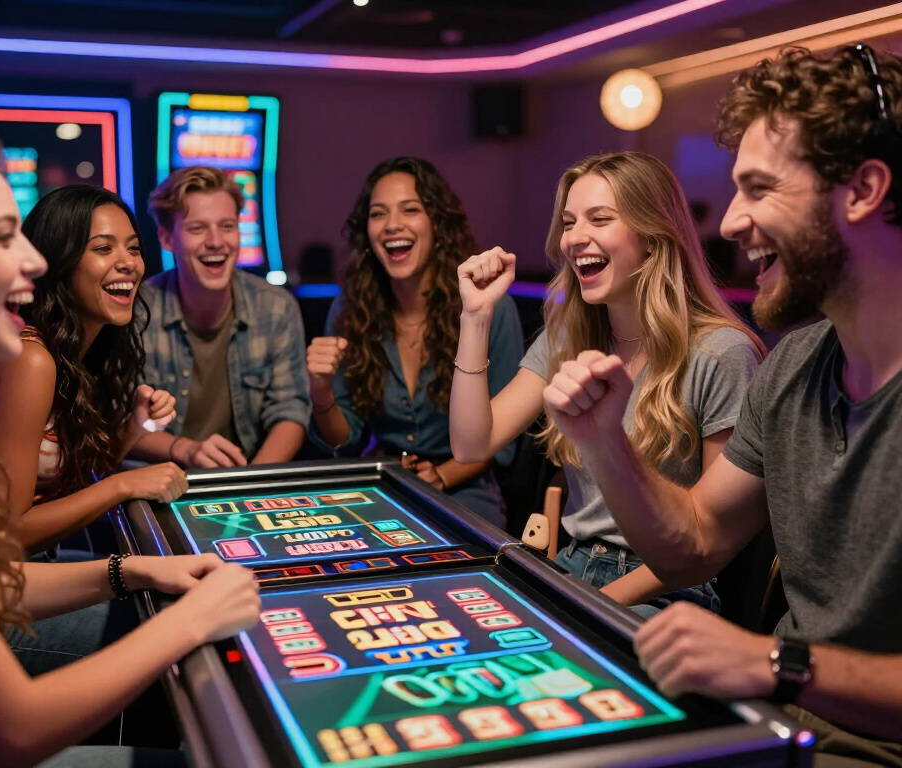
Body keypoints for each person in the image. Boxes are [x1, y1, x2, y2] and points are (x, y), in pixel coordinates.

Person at [539, 45, 902, 765]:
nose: (731, 220)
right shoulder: (795, 364)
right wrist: (607, 439)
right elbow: (695, 543)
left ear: (861, 190)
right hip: (785, 723)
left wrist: (777, 663)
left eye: (760, 188)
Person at [0, 128, 260, 768]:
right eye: (4, 237)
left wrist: (132, 570)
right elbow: (14, 731)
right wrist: (188, 621)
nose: (31, 261)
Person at [451, 151, 764, 615]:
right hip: (571, 565)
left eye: (599, 219)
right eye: (569, 222)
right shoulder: (571, 335)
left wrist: (594, 603)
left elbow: (705, 544)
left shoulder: (721, 352)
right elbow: (472, 445)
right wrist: (475, 317)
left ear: (654, 237)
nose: (575, 238)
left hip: (665, 588)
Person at [307, 157, 524, 528]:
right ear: (367, 232)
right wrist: (320, 391)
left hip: (465, 486)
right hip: (380, 481)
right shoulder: (349, 308)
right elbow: (346, 438)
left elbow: (502, 436)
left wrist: (440, 477)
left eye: (410, 209)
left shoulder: (489, 306)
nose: (393, 225)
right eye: (378, 214)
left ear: (437, 224)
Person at [0, 185, 185, 557]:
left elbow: (70, 482)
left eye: (134, 247)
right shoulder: (31, 359)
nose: (128, 262)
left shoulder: (82, 352)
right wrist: (122, 485)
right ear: (59, 263)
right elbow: (4, 535)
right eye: (104, 248)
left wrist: (134, 427)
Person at [134, 166, 310, 469]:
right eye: (197, 228)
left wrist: (251, 484)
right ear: (166, 238)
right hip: (158, 481)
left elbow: (290, 413)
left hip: (249, 474)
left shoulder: (277, 307)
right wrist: (185, 450)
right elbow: (117, 425)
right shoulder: (138, 312)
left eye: (227, 226)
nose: (216, 241)